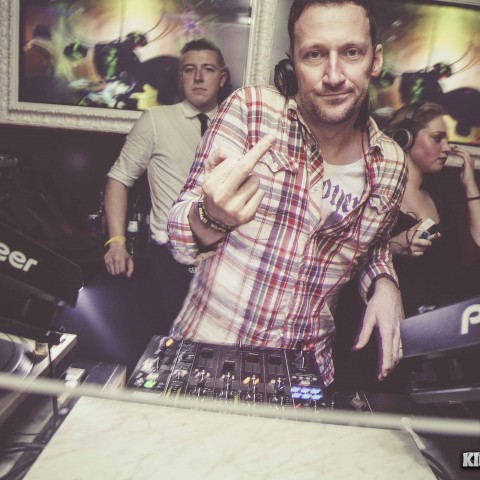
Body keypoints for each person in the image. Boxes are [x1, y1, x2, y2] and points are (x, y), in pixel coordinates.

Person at [167, 0, 408, 387]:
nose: (334, 75)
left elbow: (371, 245)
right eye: (315, 54)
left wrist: (385, 283)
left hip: (303, 376)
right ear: (293, 60)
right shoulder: (252, 110)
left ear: (375, 59)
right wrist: (210, 217)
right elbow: (178, 237)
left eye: (351, 52)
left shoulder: (391, 164)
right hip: (206, 360)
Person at [103, 38, 228, 325]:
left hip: (223, 259)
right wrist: (117, 242)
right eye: (189, 69)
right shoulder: (155, 120)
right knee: (170, 339)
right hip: (170, 258)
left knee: (218, 340)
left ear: (222, 77)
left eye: (208, 69)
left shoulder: (238, 125)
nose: (198, 77)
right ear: (180, 76)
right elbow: (118, 178)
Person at [385, 101, 480, 317]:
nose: (447, 147)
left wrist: (470, 185)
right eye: (437, 138)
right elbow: (355, 257)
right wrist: (394, 246)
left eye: (446, 139)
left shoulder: (438, 198)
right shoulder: (381, 197)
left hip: (437, 319)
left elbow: (475, 251)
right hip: (396, 317)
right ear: (405, 138)